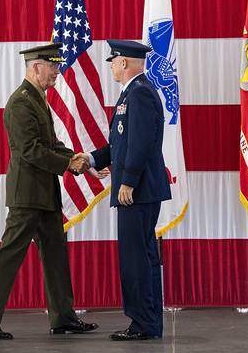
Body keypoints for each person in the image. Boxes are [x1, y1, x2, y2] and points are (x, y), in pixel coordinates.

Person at [0, 43, 98, 339]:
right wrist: (70, 164)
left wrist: (83, 161)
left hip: (43, 193)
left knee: (55, 253)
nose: (56, 71)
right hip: (27, 194)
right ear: (36, 66)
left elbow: (50, 144)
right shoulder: (20, 102)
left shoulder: (38, 100)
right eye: (52, 66)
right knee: (11, 251)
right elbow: (30, 151)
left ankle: (63, 318)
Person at [86, 40, 172, 341]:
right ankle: (146, 322)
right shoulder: (131, 94)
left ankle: (143, 324)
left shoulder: (140, 93)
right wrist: (92, 159)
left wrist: (128, 180)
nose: (110, 66)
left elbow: (142, 142)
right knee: (140, 256)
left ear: (123, 62)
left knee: (137, 259)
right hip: (137, 188)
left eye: (112, 61)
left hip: (137, 190)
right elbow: (121, 144)